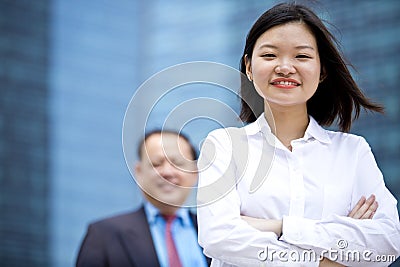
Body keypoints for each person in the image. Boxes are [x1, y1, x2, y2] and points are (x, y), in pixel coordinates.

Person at [197, 2, 400, 267]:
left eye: (301, 56)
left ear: (322, 70)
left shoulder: (352, 152)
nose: (284, 67)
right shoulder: (224, 146)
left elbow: (387, 243)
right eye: (269, 56)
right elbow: (218, 237)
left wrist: (280, 227)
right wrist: (327, 258)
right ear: (248, 67)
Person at [76, 130, 210, 267]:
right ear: (139, 172)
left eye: (177, 163)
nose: (168, 172)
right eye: (157, 164)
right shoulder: (103, 235)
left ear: (194, 172)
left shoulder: (215, 233)